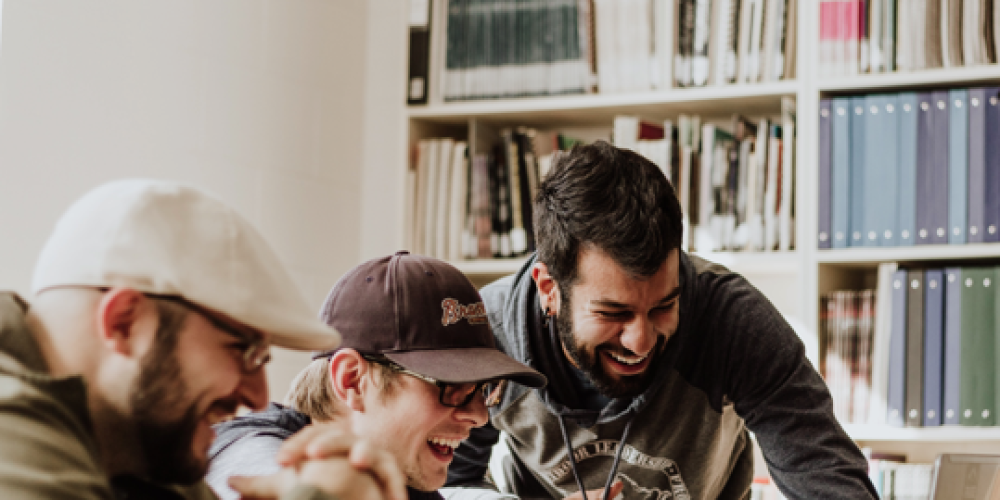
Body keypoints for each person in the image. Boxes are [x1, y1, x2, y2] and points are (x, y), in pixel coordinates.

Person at [445, 142, 879, 499]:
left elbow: (828, 477)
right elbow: (447, 486)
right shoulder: (488, 333)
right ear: (548, 289)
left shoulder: (732, 320)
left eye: (662, 307)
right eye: (613, 313)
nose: (640, 341)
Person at [0, 179, 404, 500]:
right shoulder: (12, 427)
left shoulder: (145, 442)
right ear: (125, 323)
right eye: (244, 350)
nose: (258, 398)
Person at [206, 251, 549, 500]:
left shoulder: (409, 485)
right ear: (352, 380)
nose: (478, 415)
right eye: (452, 387)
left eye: (483, 390)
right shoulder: (249, 448)